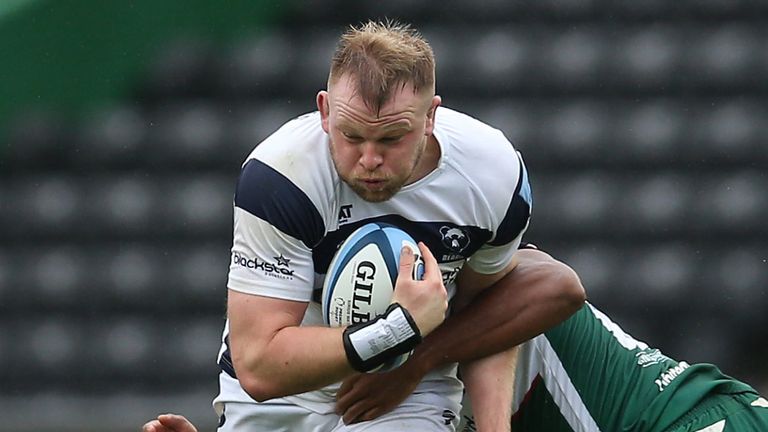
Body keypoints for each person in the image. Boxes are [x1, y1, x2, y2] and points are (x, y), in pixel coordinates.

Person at [212, 19, 583, 431]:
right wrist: (395, 331)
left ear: (430, 117)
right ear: (324, 110)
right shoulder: (282, 177)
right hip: (289, 391)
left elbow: (481, 317)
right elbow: (261, 368)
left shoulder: (493, 176)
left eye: (391, 139)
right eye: (351, 136)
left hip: (413, 387)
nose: (369, 159)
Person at [144, 246, 768, 432]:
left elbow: (552, 280)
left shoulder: (444, 289)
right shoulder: (275, 364)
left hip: (687, 420)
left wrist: (422, 358)